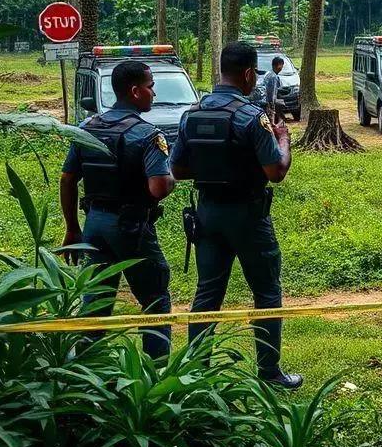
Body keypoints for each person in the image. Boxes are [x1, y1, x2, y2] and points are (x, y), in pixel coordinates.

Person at [170, 42, 302, 389]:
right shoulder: (251, 117)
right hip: (248, 215)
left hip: (208, 213)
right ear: (247, 74)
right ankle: (269, 372)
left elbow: (178, 169)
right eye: (254, 75)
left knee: (207, 293)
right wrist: (284, 139)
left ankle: (196, 372)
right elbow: (275, 171)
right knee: (267, 292)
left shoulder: (192, 114)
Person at [60, 60, 176, 359]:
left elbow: (68, 178)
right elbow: (158, 188)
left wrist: (72, 228)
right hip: (131, 227)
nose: (154, 92)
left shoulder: (87, 127)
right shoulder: (148, 135)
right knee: (155, 299)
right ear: (136, 91)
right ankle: (157, 371)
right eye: (151, 87)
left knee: (96, 301)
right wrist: (172, 177)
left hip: (94, 224)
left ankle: (85, 370)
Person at [260, 56, 284, 123]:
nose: (282, 67)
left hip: (264, 100)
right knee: (270, 121)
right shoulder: (273, 77)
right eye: (282, 65)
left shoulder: (269, 73)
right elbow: (272, 93)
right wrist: (272, 106)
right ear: (278, 65)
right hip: (268, 102)